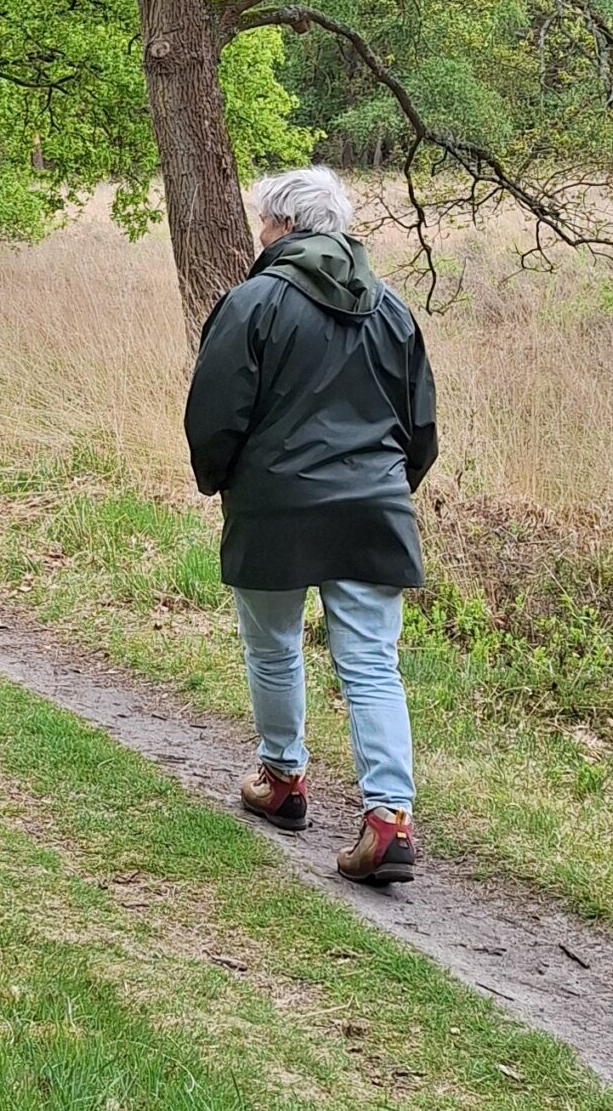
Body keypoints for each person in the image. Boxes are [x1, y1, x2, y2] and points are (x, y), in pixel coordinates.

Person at [184, 165, 438, 887]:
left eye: (265, 220)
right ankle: (389, 817)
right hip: (373, 509)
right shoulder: (390, 309)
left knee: (273, 648)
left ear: (288, 227)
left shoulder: (253, 302)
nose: (259, 232)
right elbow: (421, 426)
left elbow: (214, 413)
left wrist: (221, 479)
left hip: (275, 508)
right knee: (370, 664)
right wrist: (385, 487)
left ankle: (283, 777)